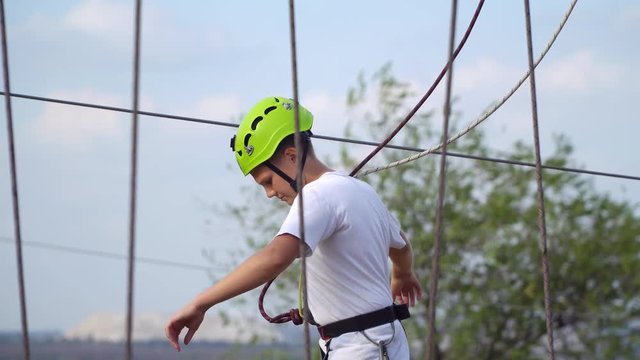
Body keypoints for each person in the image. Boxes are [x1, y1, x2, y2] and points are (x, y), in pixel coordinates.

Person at [165, 96, 422, 359]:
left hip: (361, 347)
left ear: (292, 156)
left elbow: (274, 257)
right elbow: (401, 245)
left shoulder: (317, 195)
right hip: (377, 342)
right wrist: (402, 275)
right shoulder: (363, 192)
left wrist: (201, 303)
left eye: (268, 181)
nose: (269, 193)